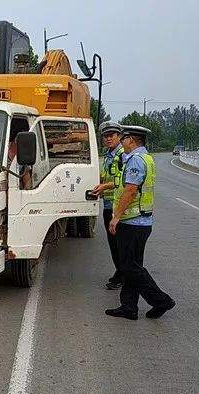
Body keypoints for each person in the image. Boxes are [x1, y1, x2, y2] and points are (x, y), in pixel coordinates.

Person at [105, 125, 175, 320]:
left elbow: (130, 190)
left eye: (123, 138)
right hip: (142, 221)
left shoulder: (136, 159)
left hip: (132, 222)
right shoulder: (147, 158)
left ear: (131, 140)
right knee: (133, 265)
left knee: (130, 267)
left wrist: (116, 215)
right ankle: (129, 306)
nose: (121, 142)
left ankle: (161, 300)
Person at [91, 121, 125, 290]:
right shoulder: (109, 155)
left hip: (117, 207)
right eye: (106, 136)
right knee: (113, 244)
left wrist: (104, 186)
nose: (108, 138)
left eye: (112, 135)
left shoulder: (122, 155)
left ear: (119, 136)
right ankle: (120, 272)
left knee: (119, 244)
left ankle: (122, 275)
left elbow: (123, 182)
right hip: (108, 205)